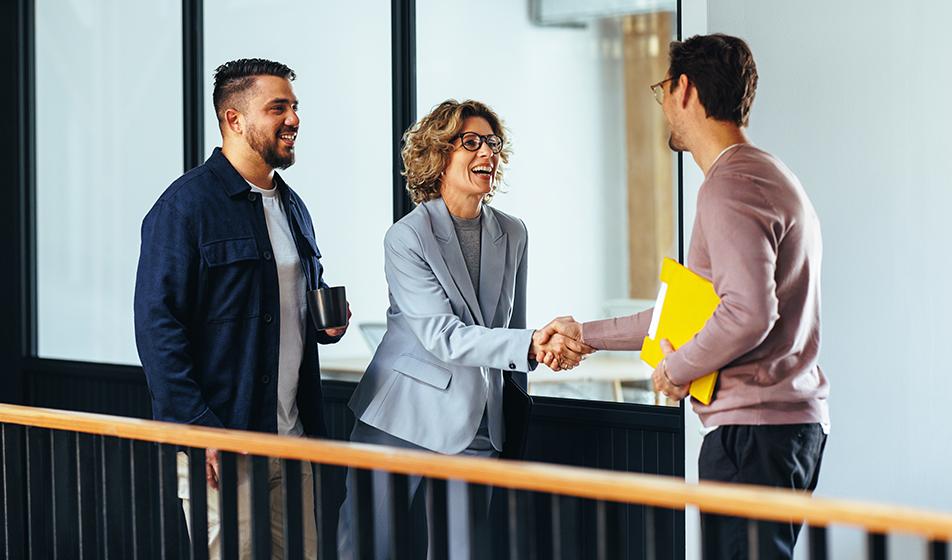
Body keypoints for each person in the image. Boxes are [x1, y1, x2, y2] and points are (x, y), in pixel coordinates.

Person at [540, 34, 830, 559]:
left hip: (752, 432)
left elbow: (748, 313)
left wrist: (678, 370)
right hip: (779, 429)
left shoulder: (728, 187)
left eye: (663, 90)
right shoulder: (765, 175)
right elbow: (692, 313)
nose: (665, 107)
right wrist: (587, 334)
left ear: (687, 91)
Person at [337, 99, 592, 559]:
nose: (487, 154)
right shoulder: (407, 237)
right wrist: (533, 344)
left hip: (478, 423)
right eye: (470, 142)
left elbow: (512, 329)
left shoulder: (514, 232)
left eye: (493, 144)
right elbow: (442, 334)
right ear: (438, 155)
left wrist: (546, 349)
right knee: (369, 548)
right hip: (401, 419)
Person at [134, 58, 348, 559]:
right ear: (234, 119)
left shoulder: (293, 206)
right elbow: (156, 326)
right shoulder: (184, 208)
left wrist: (327, 326)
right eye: (278, 108)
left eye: (294, 107)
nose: (294, 119)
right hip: (225, 445)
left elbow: (287, 308)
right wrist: (196, 427)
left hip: (294, 440)